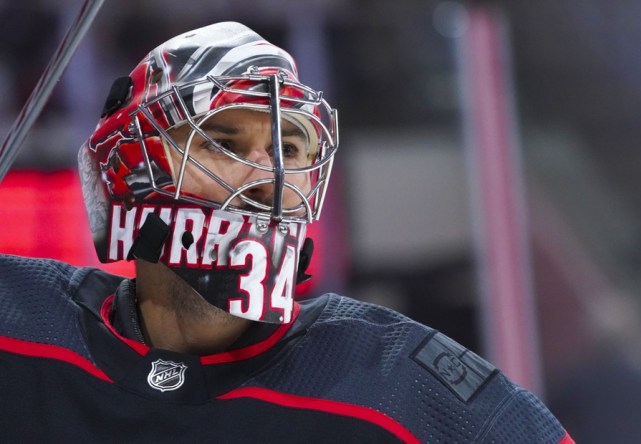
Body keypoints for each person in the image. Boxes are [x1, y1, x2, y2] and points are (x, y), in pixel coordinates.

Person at [0, 22, 573, 443]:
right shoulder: (18, 325)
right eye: (224, 142)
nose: (267, 178)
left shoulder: (399, 379)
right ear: (131, 168)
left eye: (288, 150)